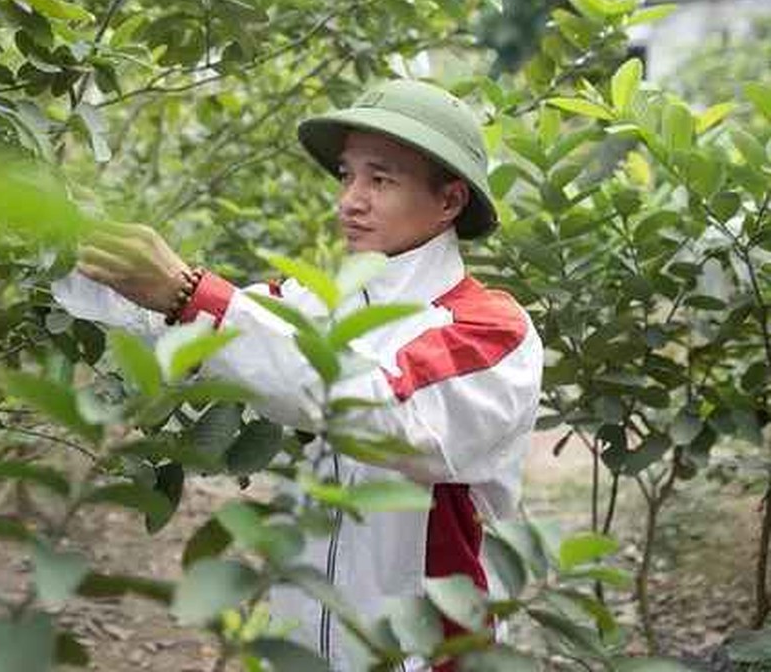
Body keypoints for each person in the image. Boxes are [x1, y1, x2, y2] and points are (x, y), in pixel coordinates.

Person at [53, 79, 543, 672]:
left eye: (380, 179)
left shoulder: (490, 329)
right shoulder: (320, 303)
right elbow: (187, 330)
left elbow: (384, 414)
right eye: (346, 176)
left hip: (431, 653)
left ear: (449, 201)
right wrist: (65, 251)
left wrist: (190, 293)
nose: (350, 201)